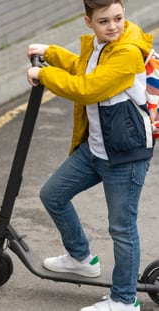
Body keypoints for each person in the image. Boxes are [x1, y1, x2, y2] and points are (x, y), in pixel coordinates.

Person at [26, 0, 154, 310]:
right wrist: (52, 53)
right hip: (96, 149)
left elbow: (87, 88)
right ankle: (80, 258)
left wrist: (44, 76)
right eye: (104, 21)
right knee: (53, 195)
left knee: (122, 229)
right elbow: (81, 67)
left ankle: (124, 301)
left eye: (118, 18)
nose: (113, 26)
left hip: (126, 154)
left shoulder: (126, 51)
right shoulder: (101, 45)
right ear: (89, 22)